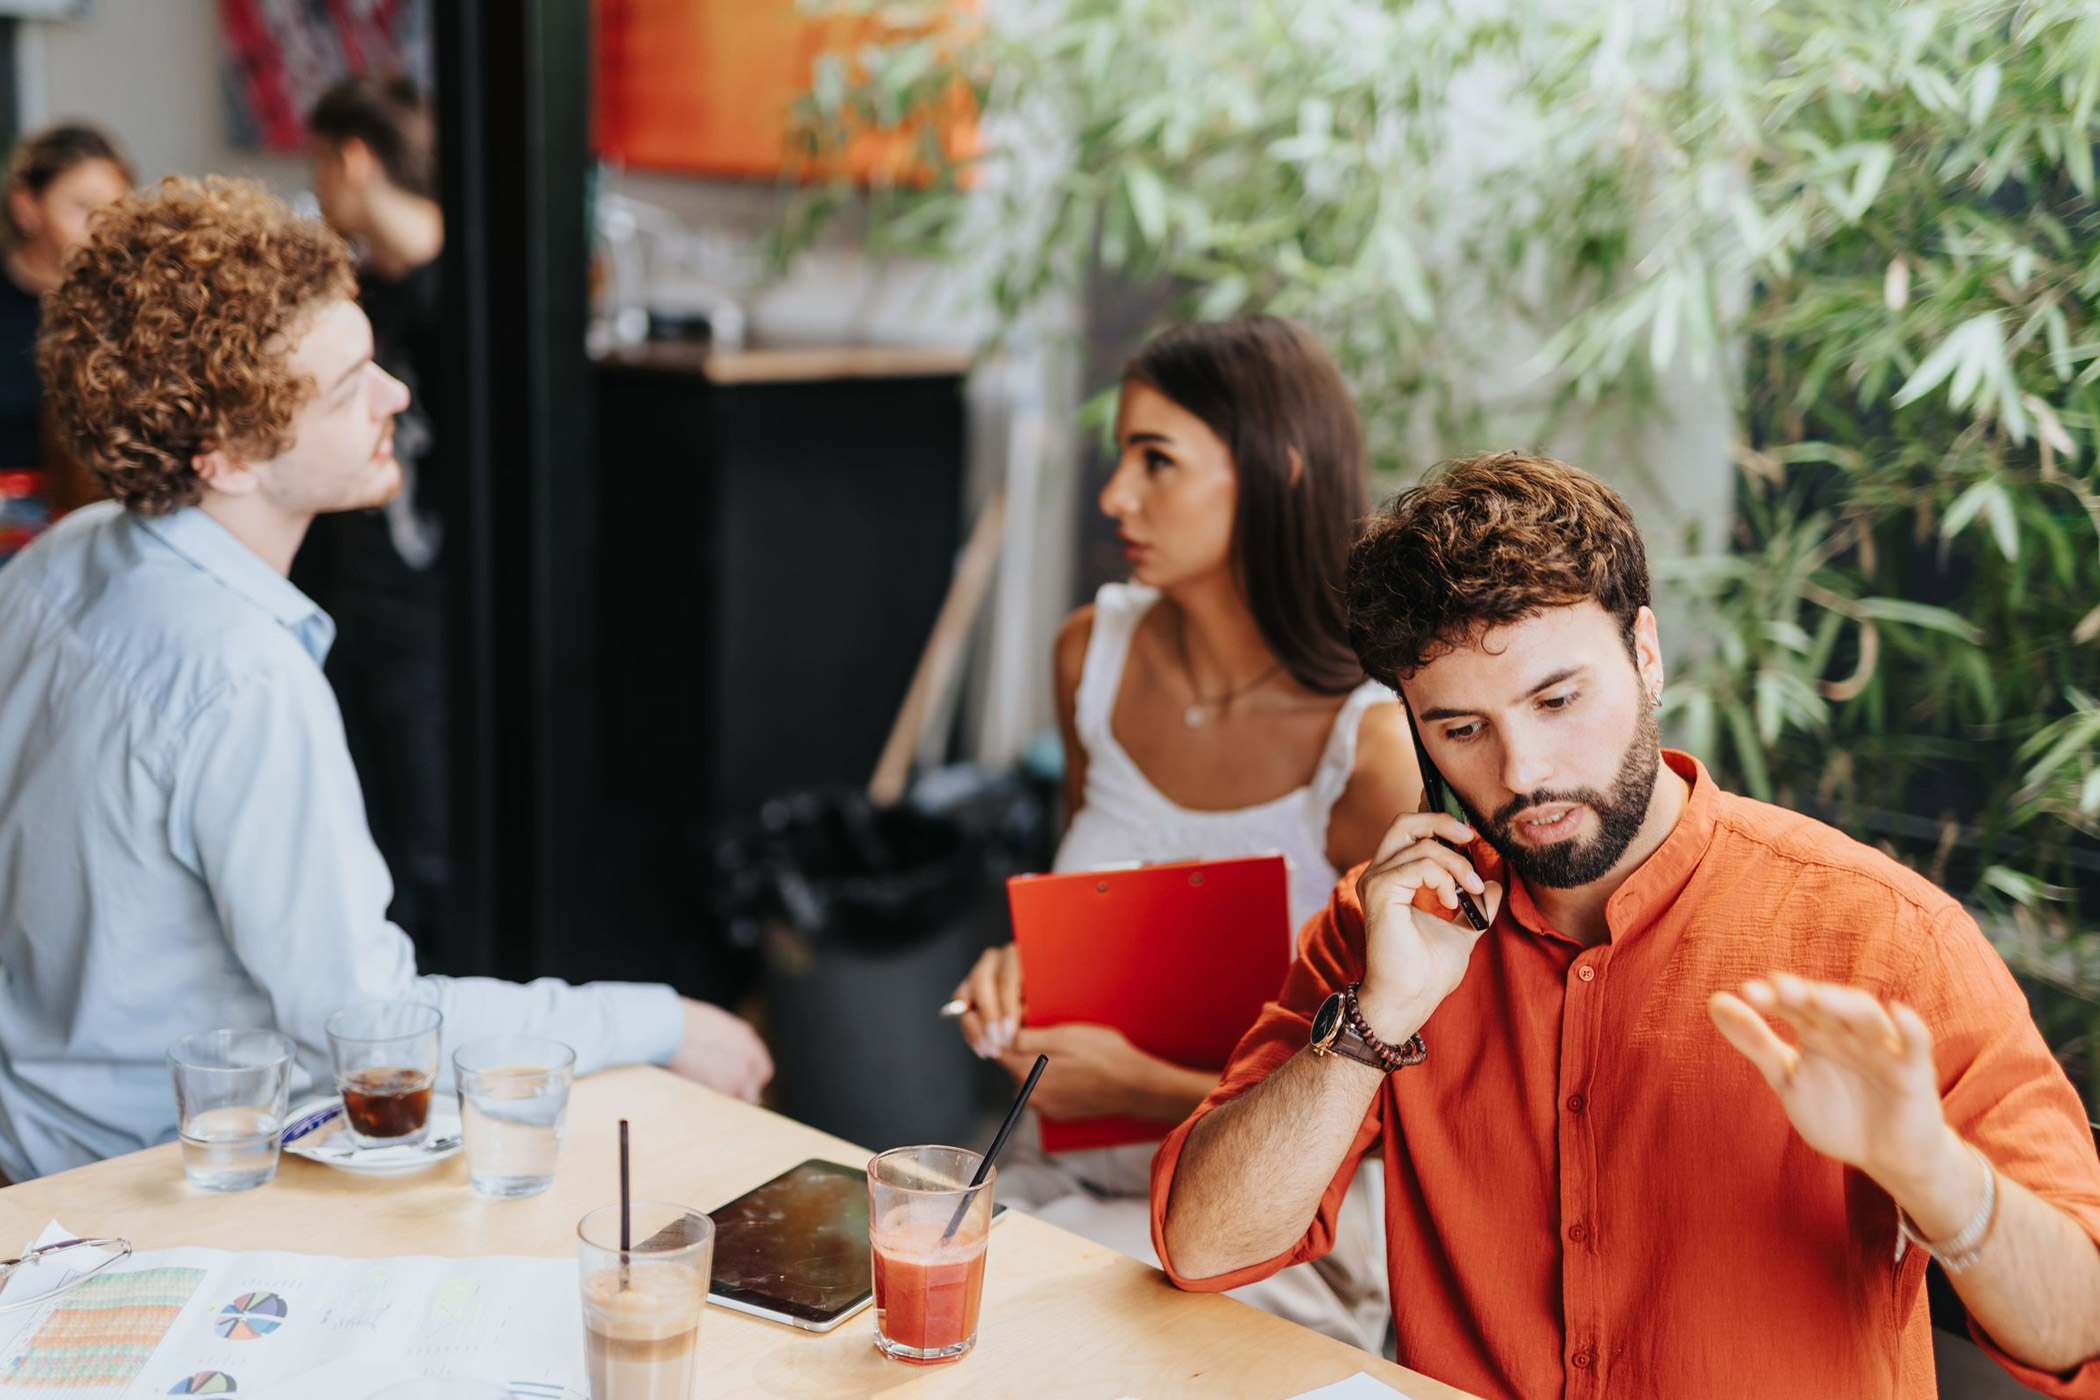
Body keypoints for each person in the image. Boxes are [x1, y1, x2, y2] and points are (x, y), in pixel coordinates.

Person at [1151, 452, 2100, 1398]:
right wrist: (1377, 1018)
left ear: (1646, 655)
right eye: (1462, 729)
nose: (1524, 771)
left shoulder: (1886, 936)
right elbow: (1203, 1245)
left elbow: (2083, 1333)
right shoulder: (1392, 925)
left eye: (1558, 700)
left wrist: (1934, 1173)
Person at [0, 177, 771, 1184]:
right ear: (226, 456)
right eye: (345, 388)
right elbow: (370, 1035)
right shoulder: (245, 679)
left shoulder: (64, 556)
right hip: (155, 1185)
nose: (394, 397)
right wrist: (665, 1021)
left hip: (31, 1148)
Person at [950, 317, 1421, 1350]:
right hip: (1065, 1174)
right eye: (1122, 454)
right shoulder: (1092, 656)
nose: (1115, 495)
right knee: (917, 1290)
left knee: (1035, 1336)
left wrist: (1134, 1084)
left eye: (1156, 459)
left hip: (1265, 1234)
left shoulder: (1372, 747)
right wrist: (1026, 974)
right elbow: (1096, 904)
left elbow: (1405, 1100)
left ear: (1279, 467)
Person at [297, 74, 450, 952]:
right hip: (358, 598)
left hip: (430, 613)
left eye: (320, 164)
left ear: (353, 160)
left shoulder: (463, 294)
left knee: (427, 835)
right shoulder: (364, 296)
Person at [0, 124, 130, 555]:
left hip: (101, 523)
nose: (102, 228)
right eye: (82, 207)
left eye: (116, 210)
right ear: (26, 207)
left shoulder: (129, 304)